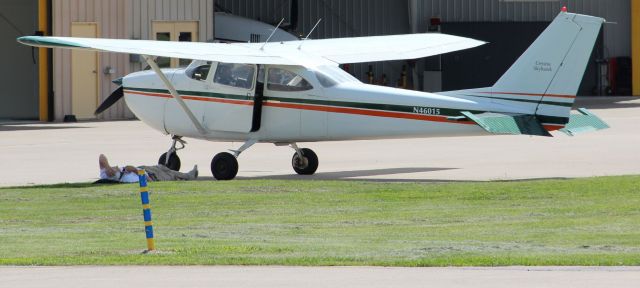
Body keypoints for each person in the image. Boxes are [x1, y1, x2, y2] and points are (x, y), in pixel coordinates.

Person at [98, 154, 198, 183]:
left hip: (142, 170)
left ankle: (187, 175)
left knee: (162, 167)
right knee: (169, 175)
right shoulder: (114, 178)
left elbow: (101, 157)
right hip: (149, 176)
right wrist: (148, 179)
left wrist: (107, 167)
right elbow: (131, 168)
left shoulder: (105, 173)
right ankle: (189, 176)